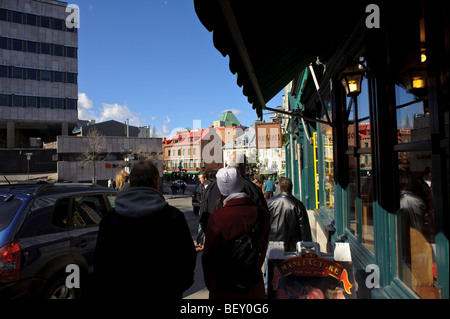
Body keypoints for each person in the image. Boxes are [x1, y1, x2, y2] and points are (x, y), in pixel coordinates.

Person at [95, 160, 196, 300]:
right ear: (156, 182)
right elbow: (187, 260)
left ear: (132, 182)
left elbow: (101, 265)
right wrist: (176, 288)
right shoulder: (173, 217)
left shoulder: (110, 219)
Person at [202, 166, 270, 299]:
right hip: (253, 287)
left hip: (223, 287)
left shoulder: (216, 217)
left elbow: (208, 258)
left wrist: (212, 284)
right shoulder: (262, 214)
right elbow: (262, 251)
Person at [197, 152, 267, 244]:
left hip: (218, 244)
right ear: (243, 165)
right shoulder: (253, 189)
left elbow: (203, 216)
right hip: (245, 248)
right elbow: (264, 220)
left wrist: (213, 235)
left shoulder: (211, 187)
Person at [267, 177, 312, 252]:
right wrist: (308, 244)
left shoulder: (269, 202)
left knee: (273, 262)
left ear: (280, 188)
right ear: (291, 188)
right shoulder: (298, 204)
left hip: (272, 243)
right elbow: (304, 226)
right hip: (291, 245)